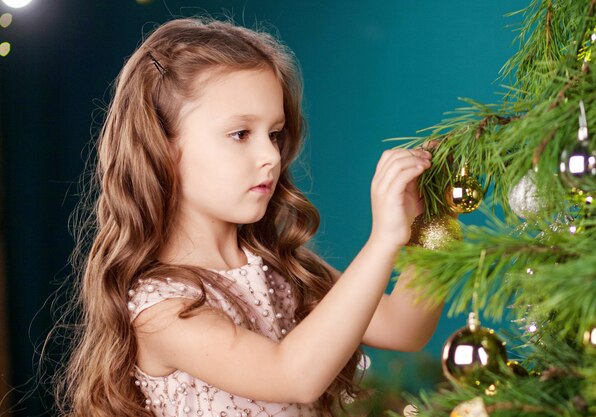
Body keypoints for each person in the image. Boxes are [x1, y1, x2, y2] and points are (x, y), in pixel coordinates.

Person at [57, 17, 443, 417]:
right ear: (163, 149)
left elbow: (405, 326)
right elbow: (292, 375)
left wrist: (436, 215)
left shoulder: (281, 270)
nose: (272, 156)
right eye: (241, 134)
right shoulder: (161, 308)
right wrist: (382, 240)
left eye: (274, 133)